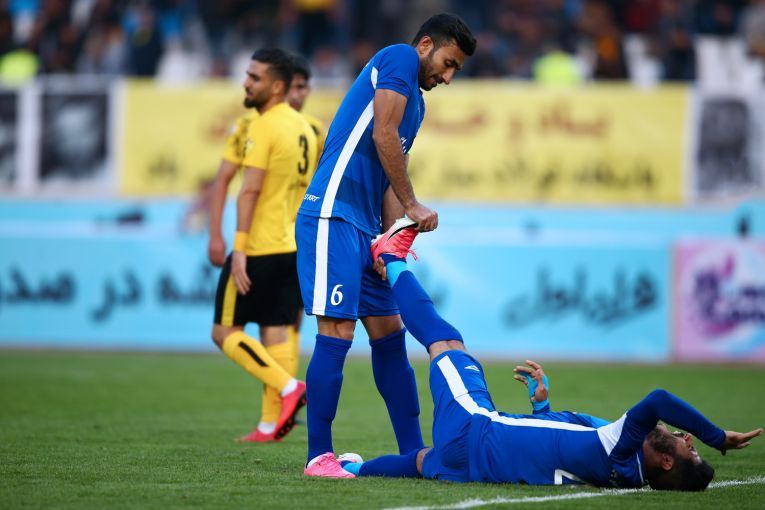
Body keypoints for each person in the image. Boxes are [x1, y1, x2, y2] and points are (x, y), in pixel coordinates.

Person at [337, 221, 763, 489]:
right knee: (421, 462)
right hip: (476, 464)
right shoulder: (623, 473)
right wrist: (542, 407)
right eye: (694, 444)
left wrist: (716, 437)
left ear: (666, 462)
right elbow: (557, 447)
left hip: (475, 429)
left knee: (446, 343)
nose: (687, 440)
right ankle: (352, 471)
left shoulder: (623, 449)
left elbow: (659, 401)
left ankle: (389, 255)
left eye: (689, 450)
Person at [296, 12, 476, 478]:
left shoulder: (417, 105)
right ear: (426, 45)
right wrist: (414, 206)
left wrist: (389, 239)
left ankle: (414, 455)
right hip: (333, 211)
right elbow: (382, 134)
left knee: (390, 336)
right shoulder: (398, 58)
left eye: (456, 70)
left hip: (365, 226)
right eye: (449, 63)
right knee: (337, 332)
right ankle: (319, 457)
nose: (449, 77)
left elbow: (392, 174)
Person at [203, 52, 325, 442]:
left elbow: (249, 189)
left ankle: (290, 388)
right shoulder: (307, 128)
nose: (246, 82)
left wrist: (238, 247)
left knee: (224, 332)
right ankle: (271, 424)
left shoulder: (262, 126)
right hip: (293, 244)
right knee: (277, 331)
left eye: (254, 77)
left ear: (276, 86)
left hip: (259, 245)